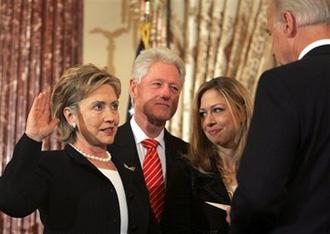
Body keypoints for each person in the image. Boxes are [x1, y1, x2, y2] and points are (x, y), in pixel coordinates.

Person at [0, 64, 153, 233]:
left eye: (114, 106)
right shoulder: (51, 165)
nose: (111, 117)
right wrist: (32, 138)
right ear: (71, 116)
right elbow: (11, 202)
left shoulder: (129, 169)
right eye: (98, 107)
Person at [229, 0, 330, 233]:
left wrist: (237, 217)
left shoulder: (281, 84)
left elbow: (257, 195)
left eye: (268, 32)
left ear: (288, 22)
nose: (272, 46)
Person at [108, 47, 189, 232]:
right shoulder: (106, 148)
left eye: (174, 88)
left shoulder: (190, 155)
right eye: (157, 84)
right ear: (134, 88)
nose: (166, 94)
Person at [161, 77, 253, 234]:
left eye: (217, 110)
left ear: (242, 112)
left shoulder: (269, 168)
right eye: (203, 114)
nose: (208, 121)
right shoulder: (186, 171)